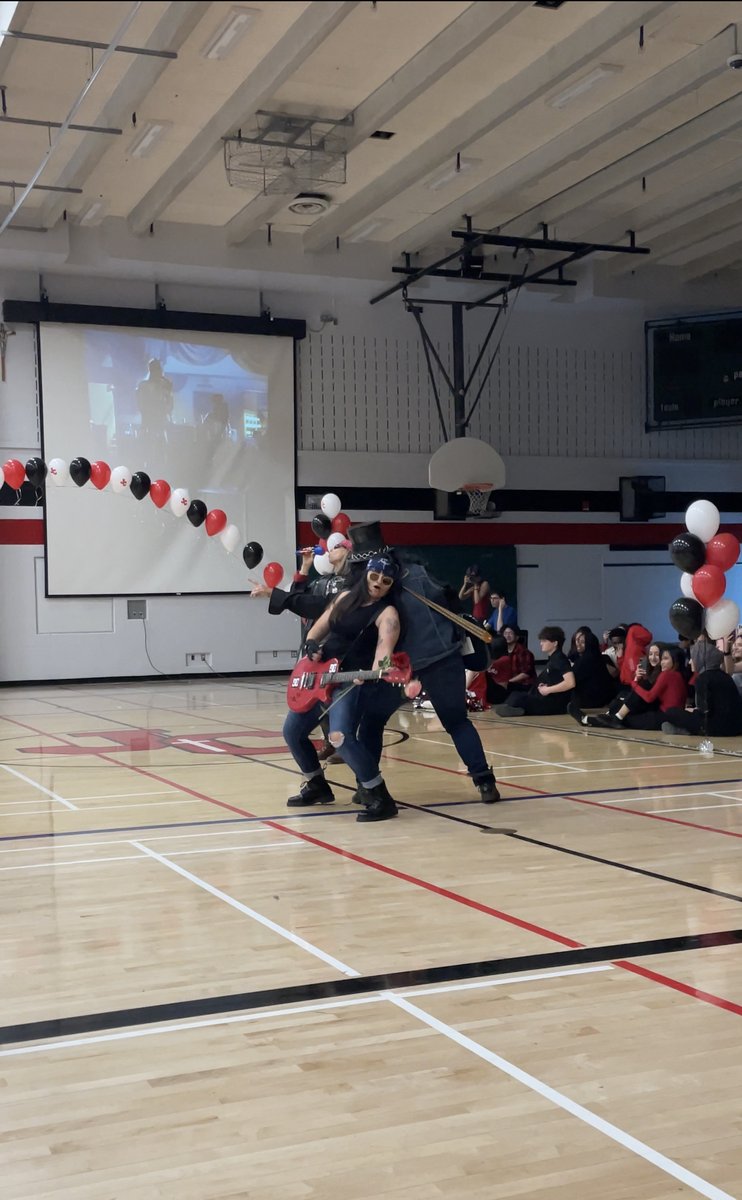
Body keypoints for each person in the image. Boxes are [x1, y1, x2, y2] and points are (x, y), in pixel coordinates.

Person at [346, 523, 500, 805]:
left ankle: (366, 785)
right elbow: (451, 600)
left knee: (373, 720)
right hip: (445, 655)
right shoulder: (417, 572)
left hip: (403, 667)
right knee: (457, 722)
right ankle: (485, 782)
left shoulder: (375, 586)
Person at [282, 555, 402, 823]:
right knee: (292, 731)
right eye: (374, 577)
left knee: (340, 737)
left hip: (350, 680)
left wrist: (376, 670)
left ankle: (379, 796)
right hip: (320, 674)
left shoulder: (387, 613)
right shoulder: (344, 598)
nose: (378, 584)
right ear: (365, 575)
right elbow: (317, 629)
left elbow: (384, 649)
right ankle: (316, 786)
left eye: (385, 582)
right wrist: (312, 645)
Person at [250, 538, 352, 762]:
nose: (332, 549)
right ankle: (330, 749)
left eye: (339, 546)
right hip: (315, 651)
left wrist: (273, 593)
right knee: (315, 702)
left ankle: (346, 751)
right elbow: (301, 599)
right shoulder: (327, 580)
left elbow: (314, 604)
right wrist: (305, 567)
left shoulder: (349, 586)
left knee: (330, 701)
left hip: (336, 654)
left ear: (349, 552)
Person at [584, 645, 687, 730]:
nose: (661, 662)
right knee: (622, 703)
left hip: (661, 716)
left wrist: (634, 684)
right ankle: (593, 719)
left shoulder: (667, 675)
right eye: (662, 658)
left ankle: (590, 720)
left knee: (625, 718)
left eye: (665, 659)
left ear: (676, 662)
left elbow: (649, 697)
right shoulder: (678, 675)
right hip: (667, 714)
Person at [662, 643, 742, 737]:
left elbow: (705, 710)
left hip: (715, 728)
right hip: (735, 728)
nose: (690, 662)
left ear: (701, 659)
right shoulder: (725, 676)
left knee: (671, 712)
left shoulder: (703, 678)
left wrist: (692, 711)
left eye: (693, 658)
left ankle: (693, 731)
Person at [494, 626, 576, 717]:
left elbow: (570, 683)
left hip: (553, 703)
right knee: (515, 695)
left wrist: (548, 689)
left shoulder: (560, 659)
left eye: (544, 641)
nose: (541, 644)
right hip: (545, 697)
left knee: (517, 698)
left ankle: (520, 709)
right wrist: (545, 686)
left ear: (555, 643)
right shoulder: (553, 659)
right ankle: (517, 709)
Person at [569, 627, 617, 709]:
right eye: (576, 641)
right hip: (598, 700)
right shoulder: (592, 657)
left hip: (590, 703)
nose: (578, 644)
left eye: (583, 642)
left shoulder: (587, 660)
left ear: (590, 643)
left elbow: (571, 680)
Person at [486, 624, 535, 703]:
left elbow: (525, 673)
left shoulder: (523, 652)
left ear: (517, 636)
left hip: (522, 685)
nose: (507, 636)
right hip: (507, 684)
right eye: (505, 633)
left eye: (510, 633)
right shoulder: (500, 651)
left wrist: (508, 682)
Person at [136, 359, 174, 437]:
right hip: (148, 426)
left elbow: (169, 408)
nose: (161, 372)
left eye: (160, 369)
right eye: (158, 369)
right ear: (151, 370)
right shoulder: (143, 386)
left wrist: (169, 393)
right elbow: (140, 406)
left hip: (161, 427)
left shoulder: (164, 386)